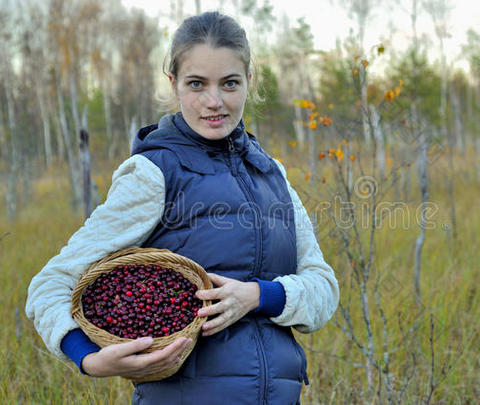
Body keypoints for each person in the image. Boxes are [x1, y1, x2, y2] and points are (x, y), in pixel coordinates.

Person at [25, 11, 339, 405]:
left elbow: (323, 288)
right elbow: (50, 284)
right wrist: (88, 358)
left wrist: (258, 296)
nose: (214, 102)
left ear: (248, 83)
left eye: (229, 84)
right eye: (197, 84)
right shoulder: (154, 173)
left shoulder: (271, 173)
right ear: (173, 84)